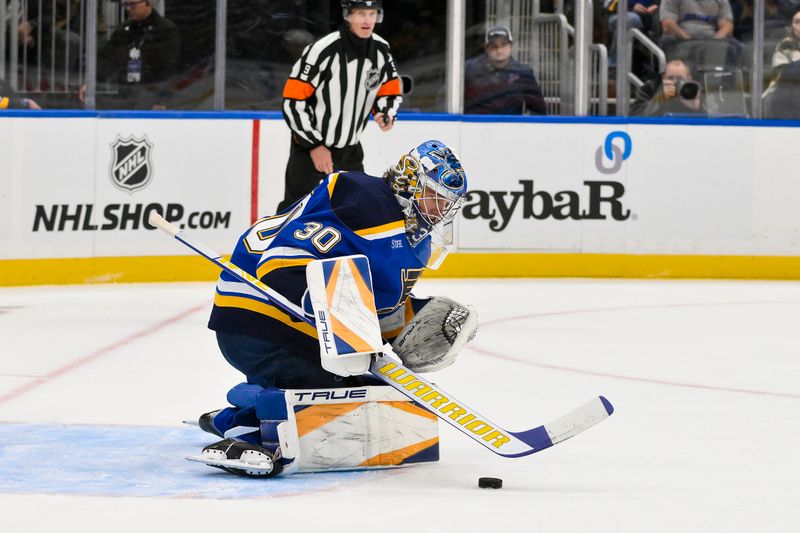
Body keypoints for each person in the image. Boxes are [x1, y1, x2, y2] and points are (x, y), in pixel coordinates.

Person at [192, 139, 476, 477]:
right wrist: (344, 322)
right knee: (331, 393)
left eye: (447, 203)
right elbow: (278, 268)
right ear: (409, 181)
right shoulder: (367, 201)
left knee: (368, 392)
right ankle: (245, 427)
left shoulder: (407, 238)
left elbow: (372, 307)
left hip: (294, 330)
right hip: (257, 319)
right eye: (434, 197)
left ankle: (246, 405)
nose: (440, 210)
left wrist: (414, 324)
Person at [278, 0, 402, 212]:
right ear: (348, 16)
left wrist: (385, 111)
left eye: (372, 14)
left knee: (356, 211)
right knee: (295, 211)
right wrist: (314, 146)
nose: (367, 20)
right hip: (310, 151)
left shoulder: (381, 50)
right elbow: (293, 102)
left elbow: (388, 90)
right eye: (361, 13)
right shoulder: (322, 50)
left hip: (351, 151)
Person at [80, 0, 180, 110]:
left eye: (132, 4)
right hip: (125, 94)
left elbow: (168, 68)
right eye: (125, 5)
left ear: (147, 3)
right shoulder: (124, 30)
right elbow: (107, 59)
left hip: (150, 94)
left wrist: (161, 100)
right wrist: (91, 83)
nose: (128, 9)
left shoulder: (165, 30)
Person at [463, 25, 547, 115]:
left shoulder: (523, 73)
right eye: (494, 46)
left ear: (510, 47)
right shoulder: (470, 69)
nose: (499, 50)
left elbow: (539, 110)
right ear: (487, 49)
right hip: (476, 126)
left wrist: (525, 127)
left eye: (503, 45)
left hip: (510, 127)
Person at [659, 0, 740, 61]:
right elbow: (667, 24)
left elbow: (727, 25)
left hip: (711, 38)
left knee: (738, 48)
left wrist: (715, 40)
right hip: (680, 37)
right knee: (667, 41)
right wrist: (688, 39)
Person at [630, 58, 706, 116]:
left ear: (689, 79)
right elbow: (635, 117)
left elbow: (711, 119)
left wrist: (696, 107)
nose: (675, 82)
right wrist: (659, 99)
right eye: (670, 78)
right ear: (664, 78)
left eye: (680, 79)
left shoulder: (695, 90)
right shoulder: (649, 89)